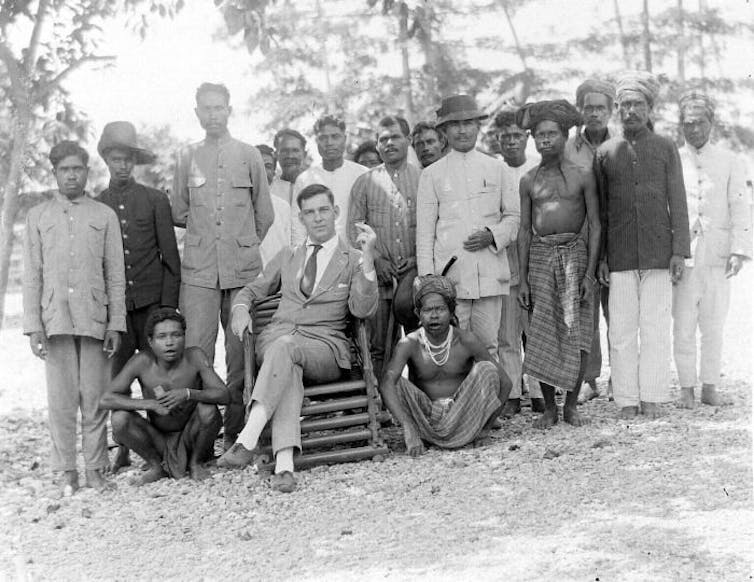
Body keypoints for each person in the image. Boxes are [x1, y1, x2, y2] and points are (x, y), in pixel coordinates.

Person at [217, 184, 379, 493]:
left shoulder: (354, 258)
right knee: (286, 357)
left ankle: (248, 438)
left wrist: (368, 260)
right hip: (279, 341)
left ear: (336, 213)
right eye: (309, 212)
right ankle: (285, 467)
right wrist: (240, 309)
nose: (317, 218)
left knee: (286, 351)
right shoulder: (288, 255)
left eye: (323, 210)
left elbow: (363, 308)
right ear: (301, 219)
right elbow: (252, 289)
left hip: (325, 349)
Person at [171, 82, 274, 449]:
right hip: (199, 271)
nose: (213, 114)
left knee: (239, 352)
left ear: (230, 110)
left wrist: (241, 244)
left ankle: (236, 434)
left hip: (242, 271)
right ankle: (200, 436)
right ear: (196, 112)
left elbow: (264, 214)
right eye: (206, 108)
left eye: (219, 108)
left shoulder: (248, 155)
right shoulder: (186, 157)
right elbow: (180, 212)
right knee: (197, 350)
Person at [23, 141, 126, 494]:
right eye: (64, 169)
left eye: (77, 169)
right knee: (62, 401)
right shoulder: (38, 216)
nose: (71, 175)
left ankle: (97, 467)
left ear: (87, 171)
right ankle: (66, 470)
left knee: (95, 398)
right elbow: (32, 275)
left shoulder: (103, 215)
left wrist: (115, 323)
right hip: (55, 320)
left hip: (95, 318)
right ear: (54, 173)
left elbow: (115, 274)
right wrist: (34, 326)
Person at [594, 71, 690, 419]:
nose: (631, 111)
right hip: (618, 255)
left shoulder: (665, 148)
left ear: (650, 108)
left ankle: (651, 396)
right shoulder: (605, 152)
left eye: (638, 104)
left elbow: (677, 202)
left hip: (658, 252)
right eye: (625, 105)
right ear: (617, 109)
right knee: (620, 330)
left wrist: (679, 250)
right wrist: (602, 256)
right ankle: (626, 400)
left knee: (654, 327)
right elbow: (601, 211)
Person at [96, 121, 182, 473]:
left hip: (151, 307)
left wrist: (165, 310)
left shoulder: (154, 199)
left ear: (135, 161)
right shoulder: (98, 205)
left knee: (155, 377)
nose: (122, 166)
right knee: (118, 376)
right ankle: (123, 447)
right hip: (117, 311)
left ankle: (163, 445)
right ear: (106, 160)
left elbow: (171, 260)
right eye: (116, 159)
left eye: (128, 159)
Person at [517, 100, 600, 428]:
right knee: (544, 333)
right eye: (539, 135)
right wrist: (522, 279)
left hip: (576, 256)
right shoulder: (528, 180)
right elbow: (524, 230)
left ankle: (571, 405)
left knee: (577, 331)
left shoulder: (582, 176)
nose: (545, 140)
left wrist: (590, 272)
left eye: (552, 134)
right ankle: (550, 408)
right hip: (540, 256)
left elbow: (595, 223)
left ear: (565, 136)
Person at [416, 94, 519, 356]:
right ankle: (456, 399)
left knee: (488, 347)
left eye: (468, 123)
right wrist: (429, 281)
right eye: (454, 125)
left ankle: (488, 398)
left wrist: (492, 235)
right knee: (451, 350)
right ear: (444, 132)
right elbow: (425, 232)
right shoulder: (431, 175)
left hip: (489, 273)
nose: (462, 130)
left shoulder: (497, 169)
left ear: (478, 126)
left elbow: (513, 217)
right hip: (450, 279)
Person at [673, 90, 752, 407]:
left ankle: (710, 387)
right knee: (682, 325)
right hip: (684, 253)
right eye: (687, 123)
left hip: (718, 254)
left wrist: (738, 250)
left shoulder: (730, 160)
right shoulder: (674, 158)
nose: (693, 129)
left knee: (714, 324)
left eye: (699, 123)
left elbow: (740, 206)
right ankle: (686, 389)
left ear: (712, 123)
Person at [380, 275, 511, 456]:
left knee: (487, 369)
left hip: (465, 423)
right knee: (393, 380)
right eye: (428, 310)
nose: (434, 315)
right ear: (418, 314)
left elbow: (505, 382)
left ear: (451, 312)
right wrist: (408, 426)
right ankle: (416, 432)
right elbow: (386, 383)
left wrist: (486, 427)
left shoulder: (466, 340)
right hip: (425, 426)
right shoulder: (410, 343)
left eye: (440, 309)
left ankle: (470, 431)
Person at [100, 308, 230, 484]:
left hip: (192, 436)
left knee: (207, 409)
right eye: (162, 337)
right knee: (119, 419)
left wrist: (188, 394)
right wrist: (150, 404)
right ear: (150, 342)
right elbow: (106, 399)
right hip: (158, 440)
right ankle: (156, 466)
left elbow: (224, 394)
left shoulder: (195, 356)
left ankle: (196, 463)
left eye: (176, 335)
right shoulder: (142, 361)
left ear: (184, 337)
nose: (170, 342)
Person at [347, 115, 421, 378]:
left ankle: (418, 400)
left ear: (408, 140)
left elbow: (433, 228)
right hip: (380, 279)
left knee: (417, 343)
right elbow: (353, 229)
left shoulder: (424, 178)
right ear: (377, 145)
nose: (389, 143)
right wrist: (376, 259)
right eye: (383, 139)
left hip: (416, 277)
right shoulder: (365, 182)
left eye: (395, 137)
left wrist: (416, 261)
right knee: (380, 346)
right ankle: (381, 405)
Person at [565, 79, 616, 403]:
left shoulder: (624, 144)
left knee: (619, 312)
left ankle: (621, 376)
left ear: (611, 111)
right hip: (582, 239)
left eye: (601, 107)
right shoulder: (569, 149)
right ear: (580, 110)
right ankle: (589, 377)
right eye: (589, 107)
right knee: (586, 310)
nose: (595, 113)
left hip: (618, 240)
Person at [491, 107, 544, 417]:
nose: (511, 142)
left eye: (516, 136)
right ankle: (511, 392)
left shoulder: (538, 167)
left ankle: (539, 391)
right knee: (507, 333)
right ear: (498, 140)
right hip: (507, 260)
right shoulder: (493, 171)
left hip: (536, 257)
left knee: (534, 331)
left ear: (526, 138)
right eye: (505, 136)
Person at [290, 115, 367, 246]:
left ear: (345, 139)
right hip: (318, 255)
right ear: (316, 141)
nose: (329, 143)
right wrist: (300, 259)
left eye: (335, 137)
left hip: (356, 254)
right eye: (323, 138)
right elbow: (298, 225)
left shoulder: (363, 174)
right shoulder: (304, 179)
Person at [256, 144, 292, 266]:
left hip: (276, 279)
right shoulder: (234, 206)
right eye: (257, 165)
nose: (262, 171)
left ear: (274, 173)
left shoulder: (283, 207)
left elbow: (289, 248)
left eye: (268, 166)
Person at [271, 128, 307, 206]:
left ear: (304, 154)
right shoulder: (268, 190)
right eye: (284, 151)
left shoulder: (315, 184)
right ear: (276, 155)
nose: (290, 156)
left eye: (295, 150)